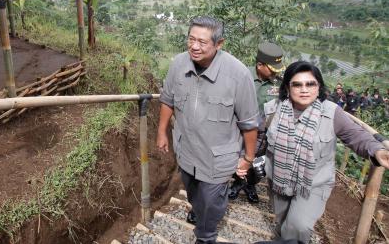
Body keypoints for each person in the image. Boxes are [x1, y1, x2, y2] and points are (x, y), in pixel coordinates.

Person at [157, 16, 259, 243]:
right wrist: (162, 132)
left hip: (218, 160)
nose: (194, 46)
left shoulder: (238, 75)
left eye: (202, 42)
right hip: (187, 152)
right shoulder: (178, 64)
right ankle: (200, 213)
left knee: (211, 205)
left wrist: (248, 158)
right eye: (191, 39)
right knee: (195, 197)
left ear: (219, 44)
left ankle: (205, 236)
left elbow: (250, 124)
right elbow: (167, 100)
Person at [263, 61, 389, 243]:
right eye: (297, 84)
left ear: (319, 86)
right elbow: (258, 137)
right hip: (279, 180)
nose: (304, 89)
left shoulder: (331, 113)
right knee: (282, 222)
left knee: (298, 225)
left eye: (310, 84)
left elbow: (356, 136)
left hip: (313, 183)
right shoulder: (273, 109)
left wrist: (377, 151)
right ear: (287, 88)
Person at [229, 42, 285, 204]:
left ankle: (249, 185)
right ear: (260, 65)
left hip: (264, 132)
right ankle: (238, 182)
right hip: (239, 128)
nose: (275, 72)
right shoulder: (241, 75)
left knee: (258, 161)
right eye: (272, 68)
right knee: (237, 156)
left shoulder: (280, 83)